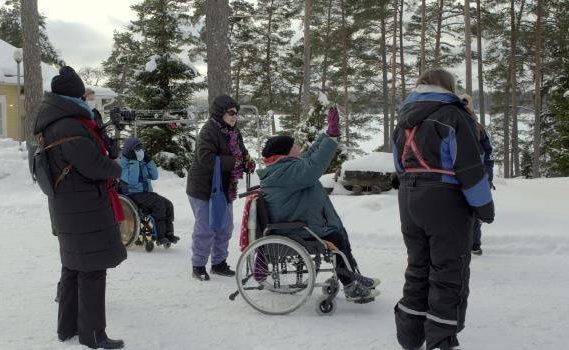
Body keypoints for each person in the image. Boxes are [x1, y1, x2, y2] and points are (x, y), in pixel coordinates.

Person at [391, 68, 495, 350]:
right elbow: (471, 169)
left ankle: (410, 338)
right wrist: (484, 208)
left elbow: (399, 165)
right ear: (449, 87)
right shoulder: (454, 116)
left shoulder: (403, 120)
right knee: (448, 272)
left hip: (409, 198)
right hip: (445, 200)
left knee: (418, 268)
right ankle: (441, 342)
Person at [34, 66, 126, 349]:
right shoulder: (70, 124)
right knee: (93, 271)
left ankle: (67, 329)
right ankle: (94, 335)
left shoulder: (52, 121)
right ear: (74, 95)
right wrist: (115, 167)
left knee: (73, 266)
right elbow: (94, 165)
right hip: (84, 207)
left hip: (68, 207)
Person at [256, 107, 380, 303]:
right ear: (285, 153)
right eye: (294, 146)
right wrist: (331, 136)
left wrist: (328, 135)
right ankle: (350, 286)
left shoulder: (284, 167)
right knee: (336, 238)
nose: (299, 148)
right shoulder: (286, 172)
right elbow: (314, 166)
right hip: (296, 229)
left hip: (302, 223)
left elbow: (310, 155)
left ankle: (352, 274)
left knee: (340, 233)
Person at [186, 95, 255, 281]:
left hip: (224, 187)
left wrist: (247, 162)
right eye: (231, 113)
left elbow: (242, 153)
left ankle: (218, 263)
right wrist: (234, 162)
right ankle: (198, 265)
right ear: (219, 113)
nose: (235, 117)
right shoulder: (208, 131)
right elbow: (205, 158)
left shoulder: (233, 132)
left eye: (236, 113)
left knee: (224, 227)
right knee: (206, 228)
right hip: (203, 188)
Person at [120, 137, 179, 246]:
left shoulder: (141, 160)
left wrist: (148, 160)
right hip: (132, 194)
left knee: (168, 204)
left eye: (141, 148)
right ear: (130, 150)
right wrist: (134, 162)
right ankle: (161, 236)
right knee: (159, 204)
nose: (140, 151)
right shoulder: (123, 163)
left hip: (145, 193)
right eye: (137, 149)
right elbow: (132, 181)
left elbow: (155, 176)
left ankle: (169, 234)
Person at [459, 94, 495, 256]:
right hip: (455, 177)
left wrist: (487, 177)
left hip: (476, 175)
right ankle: (461, 244)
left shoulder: (478, 128)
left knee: (474, 211)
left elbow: (488, 154)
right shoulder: (451, 123)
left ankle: (474, 244)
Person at [83, 88, 119, 160]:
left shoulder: (95, 112)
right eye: (90, 99)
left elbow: (100, 128)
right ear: (84, 99)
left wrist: (108, 143)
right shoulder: (82, 112)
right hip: (89, 148)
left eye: (93, 99)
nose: (93, 102)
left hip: (100, 147)